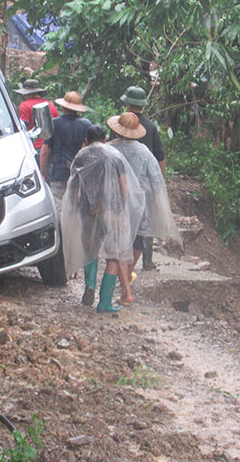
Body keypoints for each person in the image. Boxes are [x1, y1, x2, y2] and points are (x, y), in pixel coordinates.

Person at [61, 125, 145, 312]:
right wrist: (123, 211)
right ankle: (105, 302)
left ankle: (90, 285)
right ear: (105, 139)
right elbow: (124, 189)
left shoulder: (81, 156)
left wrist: (74, 209)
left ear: (87, 139)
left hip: (88, 211)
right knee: (113, 256)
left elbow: (73, 188)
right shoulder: (115, 157)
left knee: (90, 249)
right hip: (112, 211)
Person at [108, 112, 180, 299]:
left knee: (118, 242)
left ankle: (122, 278)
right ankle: (127, 274)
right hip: (139, 204)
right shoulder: (144, 152)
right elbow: (156, 180)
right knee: (138, 241)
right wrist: (157, 203)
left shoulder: (109, 149)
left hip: (115, 202)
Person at [118, 85, 167, 270]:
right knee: (146, 220)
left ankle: (122, 257)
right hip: (144, 182)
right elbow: (159, 157)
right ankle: (147, 260)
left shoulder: (120, 123)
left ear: (127, 103)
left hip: (122, 181)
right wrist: (160, 185)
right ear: (143, 105)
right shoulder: (151, 127)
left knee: (124, 219)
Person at [39, 91, 92, 211]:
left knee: (60, 208)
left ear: (62, 106)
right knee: (78, 208)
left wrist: (43, 172)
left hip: (59, 173)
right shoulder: (86, 125)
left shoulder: (54, 123)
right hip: (80, 175)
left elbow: (45, 151)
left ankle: (64, 230)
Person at [14, 78, 58, 154]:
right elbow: (57, 126)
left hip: (35, 147)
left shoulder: (24, 106)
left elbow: (24, 127)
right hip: (52, 147)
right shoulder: (50, 104)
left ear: (26, 94)